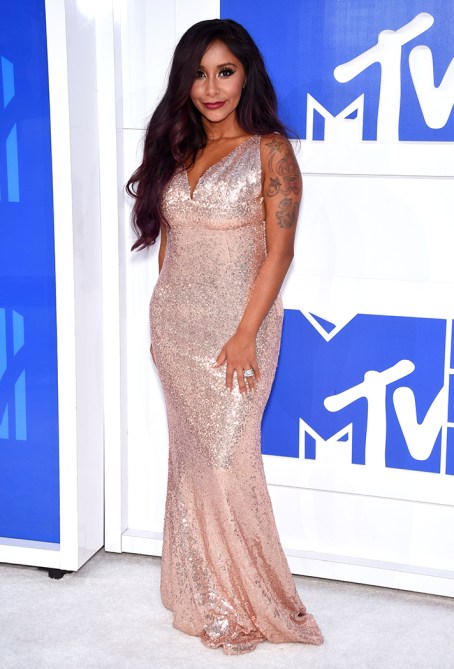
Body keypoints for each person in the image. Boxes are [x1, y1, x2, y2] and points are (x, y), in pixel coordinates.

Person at [126, 18, 323, 656]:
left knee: (227, 460)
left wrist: (245, 334)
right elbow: (171, 245)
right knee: (190, 459)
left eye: (225, 71)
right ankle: (202, 589)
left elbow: (280, 252)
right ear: (184, 82)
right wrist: (159, 320)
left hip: (240, 328)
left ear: (246, 76)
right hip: (176, 328)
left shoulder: (270, 151)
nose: (212, 88)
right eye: (199, 74)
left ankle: (251, 596)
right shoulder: (177, 150)